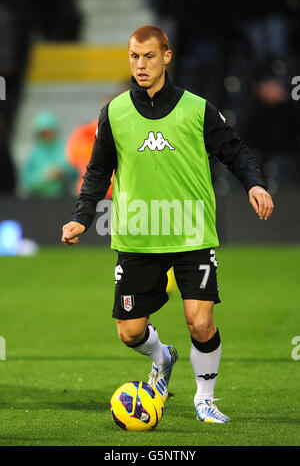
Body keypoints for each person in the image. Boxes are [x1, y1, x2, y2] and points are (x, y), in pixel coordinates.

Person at [61, 25, 274, 423]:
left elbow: (235, 150)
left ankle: (205, 398)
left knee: (200, 320)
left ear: (167, 57)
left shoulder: (197, 108)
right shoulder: (115, 112)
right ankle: (162, 358)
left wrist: (255, 183)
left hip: (190, 232)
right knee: (129, 332)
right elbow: (97, 171)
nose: (140, 65)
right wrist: (81, 218)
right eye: (133, 57)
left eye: (148, 57)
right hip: (138, 236)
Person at [21, 111, 77, 198]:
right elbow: (27, 181)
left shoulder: (65, 149)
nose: (47, 136)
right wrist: (43, 176)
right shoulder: (33, 153)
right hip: (39, 200)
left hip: (63, 198)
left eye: (49, 132)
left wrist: (62, 173)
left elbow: (75, 173)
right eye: (44, 133)